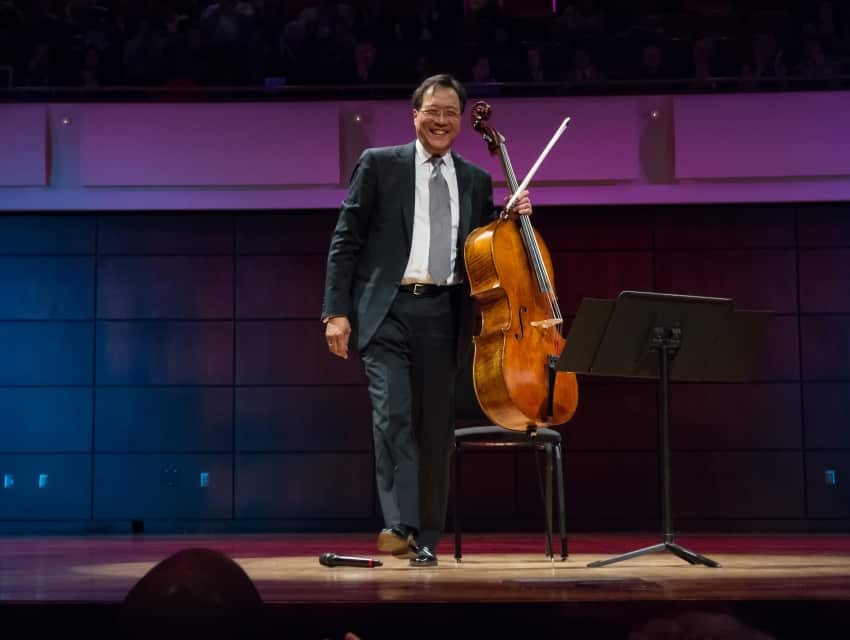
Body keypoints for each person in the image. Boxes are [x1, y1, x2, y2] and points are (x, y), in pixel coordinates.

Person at [321, 74, 532, 567]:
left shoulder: (477, 179)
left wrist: (515, 215)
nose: (441, 120)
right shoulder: (378, 165)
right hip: (386, 309)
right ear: (414, 115)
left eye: (450, 112)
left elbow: (490, 249)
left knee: (436, 428)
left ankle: (429, 537)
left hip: (445, 312)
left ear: (460, 121)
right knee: (392, 414)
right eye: (432, 111)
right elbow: (345, 241)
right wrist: (336, 311)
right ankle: (400, 523)